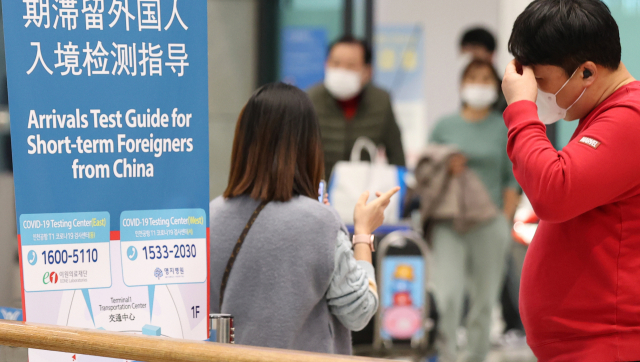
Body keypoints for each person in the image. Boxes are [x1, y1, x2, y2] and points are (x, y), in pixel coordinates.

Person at [209, 82, 399, 354]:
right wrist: (362, 234)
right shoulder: (319, 222)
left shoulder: (212, 215)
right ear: (307, 145)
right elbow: (358, 312)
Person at [502, 0, 640, 361]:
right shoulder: (604, 114)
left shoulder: (630, 118)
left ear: (587, 72)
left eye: (540, 81)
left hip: (608, 344)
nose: (534, 92)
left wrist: (520, 109)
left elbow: (554, 193)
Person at [429, 59, 520, 362]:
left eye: (485, 79)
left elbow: (512, 178)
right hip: (449, 223)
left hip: (489, 222)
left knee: (484, 300)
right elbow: (426, 173)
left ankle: (477, 357)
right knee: (449, 296)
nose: (479, 84)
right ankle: (447, 355)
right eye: (473, 78)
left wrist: (503, 222)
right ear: (461, 84)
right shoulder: (444, 126)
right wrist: (445, 164)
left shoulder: (503, 126)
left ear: (496, 88)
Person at [308, 35, 405, 179]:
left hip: (364, 193)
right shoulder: (310, 100)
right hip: (319, 192)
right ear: (326, 64)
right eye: (335, 63)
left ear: (367, 71)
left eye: (351, 65)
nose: (341, 70)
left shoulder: (381, 101)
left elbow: (396, 156)